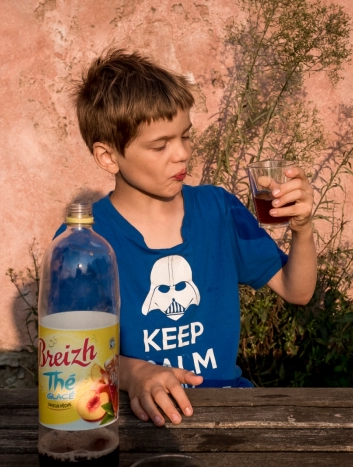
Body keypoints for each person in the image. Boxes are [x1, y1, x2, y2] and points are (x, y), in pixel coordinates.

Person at [65, 50, 317, 427]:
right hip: (135, 421)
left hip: (229, 410)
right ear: (108, 156)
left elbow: (297, 291)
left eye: (185, 136)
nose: (182, 154)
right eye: (160, 145)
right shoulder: (85, 243)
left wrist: (302, 228)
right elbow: (72, 364)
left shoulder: (218, 210)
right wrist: (133, 374)